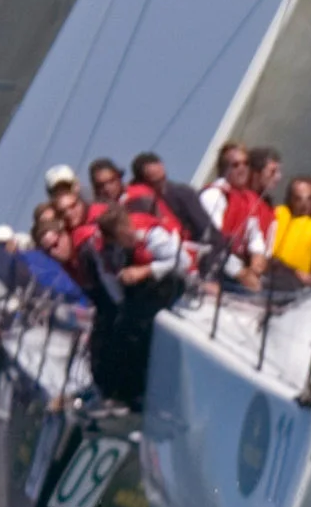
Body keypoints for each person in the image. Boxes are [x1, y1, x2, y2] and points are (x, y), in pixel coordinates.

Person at [80, 202, 182, 408]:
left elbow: (182, 262)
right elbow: (112, 285)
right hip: (146, 294)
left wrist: (146, 271)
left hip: (177, 286)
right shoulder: (104, 248)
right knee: (123, 330)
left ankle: (156, 393)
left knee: (140, 328)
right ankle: (124, 394)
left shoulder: (151, 235)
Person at [200, 142, 279, 289]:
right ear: (224, 169)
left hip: (233, 267)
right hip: (210, 269)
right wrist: (240, 273)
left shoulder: (247, 200)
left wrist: (258, 255)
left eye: (246, 164)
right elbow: (211, 242)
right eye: (235, 165)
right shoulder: (214, 195)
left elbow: (254, 234)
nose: (242, 169)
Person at [132, 151, 218, 253]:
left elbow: (205, 228)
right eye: (155, 182)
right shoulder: (136, 203)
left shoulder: (182, 194)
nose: (161, 185)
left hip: (190, 250)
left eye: (162, 178)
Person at [267, 178, 311, 291]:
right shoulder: (275, 215)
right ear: (290, 199)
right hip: (267, 277)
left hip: (296, 289)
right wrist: (294, 272)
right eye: (298, 199)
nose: (304, 205)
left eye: (309, 199)